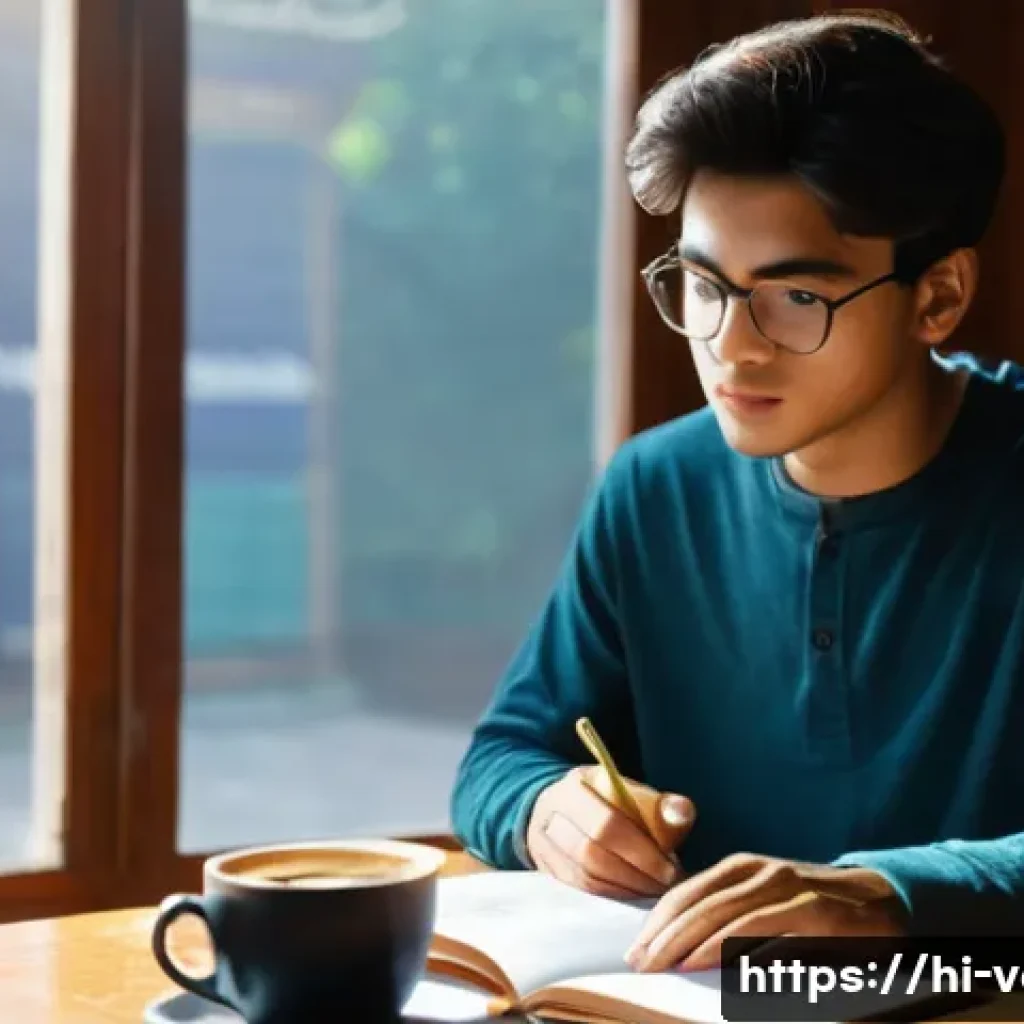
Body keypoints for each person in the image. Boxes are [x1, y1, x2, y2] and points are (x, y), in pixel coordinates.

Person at [450, 8, 1024, 972]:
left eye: (798, 296)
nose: (731, 341)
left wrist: (887, 896)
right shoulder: (654, 487)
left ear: (938, 297)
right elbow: (501, 761)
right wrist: (550, 810)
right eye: (706, 284)